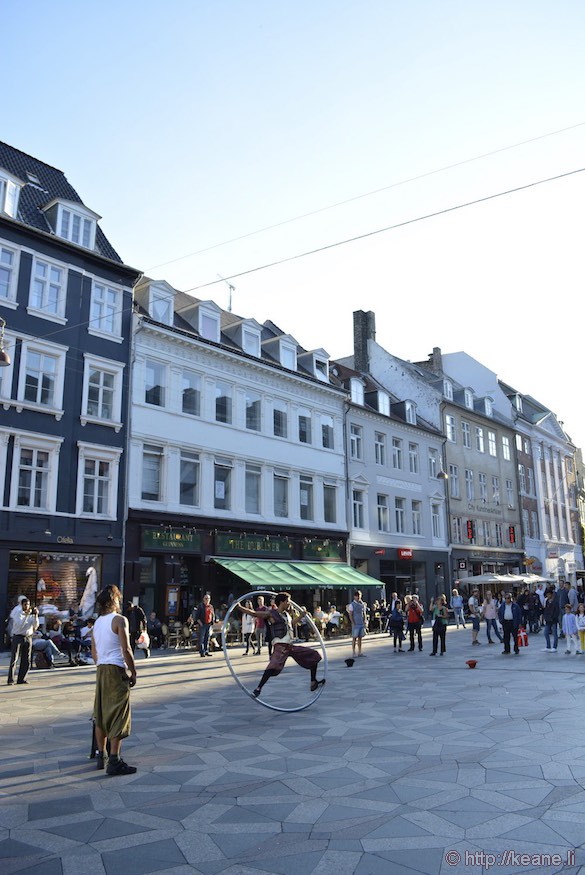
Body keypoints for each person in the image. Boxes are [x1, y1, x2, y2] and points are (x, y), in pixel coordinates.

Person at [239, 592, 324, 698]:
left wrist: (302, 616)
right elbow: (255, 613)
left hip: (290, 646)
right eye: (288, 601)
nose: (290, 603)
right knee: (273, 666)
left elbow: (291, 624)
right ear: (282, 602)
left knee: (313, 655)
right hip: (280, 646)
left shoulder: (286, 615)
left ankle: (313, 682)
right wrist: (239, 607)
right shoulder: (271, 614)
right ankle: (258, 688)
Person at [91, 584, 137, 776]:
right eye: (117, 598)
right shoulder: (119, 620)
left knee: (101, 713)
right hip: (116, 669)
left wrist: (102, 664)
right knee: (119, 713)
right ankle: (115, 760)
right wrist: (133, 672)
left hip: (101, 669)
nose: (119, 601)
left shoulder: (97, 623)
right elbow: (126, 649)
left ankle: (101, 756)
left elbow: (93, 652)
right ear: (113, 600)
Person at [7, 598, 39, 684]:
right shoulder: (18, 614)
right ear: (22, 605)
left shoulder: (31, 615)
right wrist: (26, 616)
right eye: (25, 605)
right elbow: (20, 625)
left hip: (28, 637)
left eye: (28, 604)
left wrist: (36, 616)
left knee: (26, 660)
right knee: (14, 659)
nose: (27, 606)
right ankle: (11, 679)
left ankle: (22, 679)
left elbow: (35, 626)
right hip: (18, 637)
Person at [347, 590, 368, 658]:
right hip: (355, 623)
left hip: (361, 622)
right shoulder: (352, 605)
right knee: (354, 638)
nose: (359, 597)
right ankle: (353, 652)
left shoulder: (362, 604)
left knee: (360, 638)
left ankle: (360, 651)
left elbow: (364, 613)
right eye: (357, 596)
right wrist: (353, 622)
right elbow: (350, 614)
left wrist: (365, 620)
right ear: (354, 596)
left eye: (360, 596)